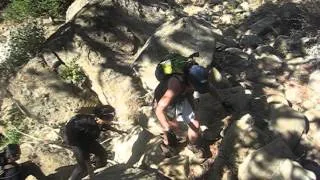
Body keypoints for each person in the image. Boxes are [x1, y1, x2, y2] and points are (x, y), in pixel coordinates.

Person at [155, 62, 212, 157]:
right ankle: (168, 146)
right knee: (172, 126)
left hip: (182, 95)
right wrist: (168, 128)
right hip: (166, 97)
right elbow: (159, 110)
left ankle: (192, 145)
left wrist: (222, 101)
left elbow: (209, 87)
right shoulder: (176, 85)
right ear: (190, 83)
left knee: (195, 123)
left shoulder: (198, 78)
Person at [64, 105, 115, 180]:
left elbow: (103, 125)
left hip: (86, 138)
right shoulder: (89, 127)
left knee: (103, 155)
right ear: (102, 117)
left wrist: (117, 130)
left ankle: (96, 170)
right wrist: (88, 163)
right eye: (110, 117)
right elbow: (83, 146)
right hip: (76, 141)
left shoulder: (97, 120)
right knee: (82, 167)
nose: (112, 118)